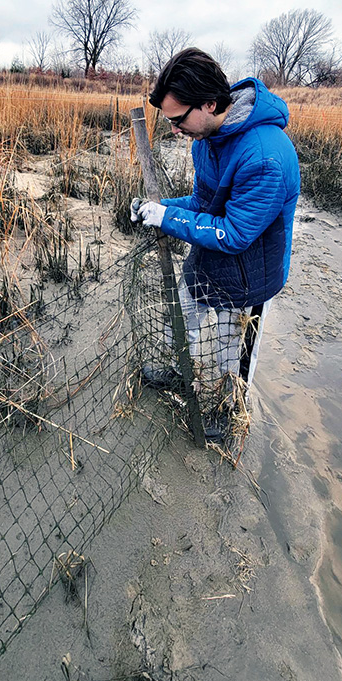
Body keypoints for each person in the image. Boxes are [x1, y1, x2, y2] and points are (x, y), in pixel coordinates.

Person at [130, 47, 300, 442]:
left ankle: (230, 413)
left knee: (232, 355)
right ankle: (179, 371)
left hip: (248, 280)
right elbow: (203, 204)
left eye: (178, 119)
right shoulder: (204, 138)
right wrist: (158, 208)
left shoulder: (265, 156)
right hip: (206, 263)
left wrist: (167, 219)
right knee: (181, 320)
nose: (174, 130)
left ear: (209, 103)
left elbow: (235, 232)